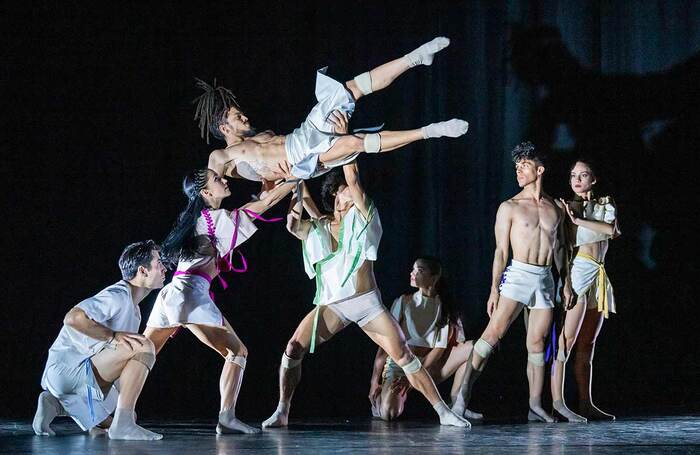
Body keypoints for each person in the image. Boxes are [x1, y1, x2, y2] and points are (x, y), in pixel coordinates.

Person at [262, 163, 469, 429]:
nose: (353, 190)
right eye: (346, 188)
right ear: (337, 193)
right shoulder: (321, 226)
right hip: (334, 305)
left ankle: (444, 412)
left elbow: (355, 180)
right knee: (293, 348)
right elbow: (292, 225)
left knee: (404, 355)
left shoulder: (364, 215)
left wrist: (348, 147)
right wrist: (296, 183)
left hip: (366, 303)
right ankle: (282, 411)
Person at [196, 37, 469, 183]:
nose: (244, 116)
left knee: (347, 89)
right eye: (237, 116)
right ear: (224, 128)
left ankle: (415, 57)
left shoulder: (259, 135)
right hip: (303, 159)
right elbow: (206, 188)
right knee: (354, 142)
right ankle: (431, 131)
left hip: (302, 134)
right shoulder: (221, 156)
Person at [144, 169, 292, 434]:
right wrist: (298, 176)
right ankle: (226, 416)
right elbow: (265, 205)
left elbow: (256, 204)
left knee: (142, 355)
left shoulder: (201, 220)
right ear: (206, 193)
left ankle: (100, 408)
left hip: (171, 294)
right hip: (191, 295)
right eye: (217, 179)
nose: (224, 180)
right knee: (238, 352)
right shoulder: (216, 219)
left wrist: (267, 188)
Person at [451, 142, 572, 423]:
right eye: (516, 167)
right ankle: (461, 398)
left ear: (539, 170)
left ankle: (534, 405)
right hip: (518, 275)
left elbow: (561, 249)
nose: (518, 171)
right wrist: (494, 288)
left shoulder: (556, 208)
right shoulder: (509, 206)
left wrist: (565, 282)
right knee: (491, 337)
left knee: (538, 342)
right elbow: (501, 251)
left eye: (524, 166)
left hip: (545, 279)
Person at [33, 240, 166, 440]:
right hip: (70, 369)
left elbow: (126, 366)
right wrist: (111, 336)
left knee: (125, 409)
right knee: (144, 345)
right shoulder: (118, 295)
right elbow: (72, 318)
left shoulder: (134, 310)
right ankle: (120, 424)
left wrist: (125, 406)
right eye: (158, 263)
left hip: (70, 378)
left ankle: (54, 403)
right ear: (143, 271)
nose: (164, 268)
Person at [368, 257, 484, 421]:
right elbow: (384, 345)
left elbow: (439, 350)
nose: (413, 274)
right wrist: (375, 381)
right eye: (413, 269)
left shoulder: (444, 306)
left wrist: (415, 376)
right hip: (401, 366)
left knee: (476, 347)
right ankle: (381, 402)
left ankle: (458, 403)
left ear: (434, 277)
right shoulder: (403, 302)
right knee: (389, 413)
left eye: (420, 270)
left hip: (429, 366)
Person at [551, 158, 620, 421]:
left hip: (599, 273)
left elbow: (610, 230)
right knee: (565, 342)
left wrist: (579, 221)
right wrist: (566, 283)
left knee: (588, 344)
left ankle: (585, 402)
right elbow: (563, 249)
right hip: (579, 270)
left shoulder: (605, 204)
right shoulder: (567, 207)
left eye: (583, 175)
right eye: (573, 175)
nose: (577, 180)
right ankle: (558, 402)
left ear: (594, 179)